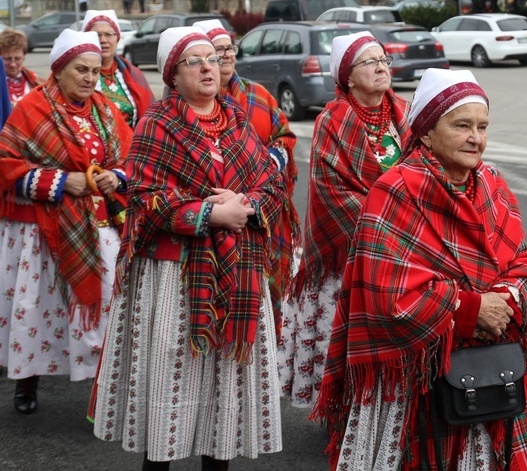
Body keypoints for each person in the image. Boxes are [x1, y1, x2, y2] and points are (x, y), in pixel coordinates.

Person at [310, 68, 527, 469]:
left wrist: (505, 298)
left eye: (482, 126)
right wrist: (471, 309)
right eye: (462, 125)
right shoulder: (395, 190)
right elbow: (389, 293)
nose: (476, 137)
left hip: (494, 365)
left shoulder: (492, 183)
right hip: (419, 379)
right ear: (426, 132)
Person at [92, 27, 285, 470]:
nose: (206, 67)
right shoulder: (156, 123)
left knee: (222, 398)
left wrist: (247, 205)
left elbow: (269, 182)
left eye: (211, 59)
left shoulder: (236, 119)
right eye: (193, 61)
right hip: (174, 277)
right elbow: (143, 196)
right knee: (170, 391)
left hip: (236, 270)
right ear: (172, 76)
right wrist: (209, 215)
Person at [0, 29, 133, 414]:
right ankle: (27, 382)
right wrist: (61, 181)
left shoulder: (105, 109)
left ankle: (101, 391)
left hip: (96, 222)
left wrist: (117, 177)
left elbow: (130, 157)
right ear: (58, 70)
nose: (90, 78)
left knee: (106, 301)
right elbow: (6, 166)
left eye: (94, 71)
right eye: (81, 70)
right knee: (39, 305)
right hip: (42, 227)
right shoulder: (31, 109)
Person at [277, 31, 411, 408]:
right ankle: (342, 407)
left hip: (406, 244)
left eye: (383, 58)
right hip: (352, 250)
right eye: (370, 62)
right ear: (348, 77)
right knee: (346, 332)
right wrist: (387, 220)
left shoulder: (403, 111)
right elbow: (332, 191)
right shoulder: (331, 121)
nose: (381, 66)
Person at [194, 19, 299, 341]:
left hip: (265, 210)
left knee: (269, 289)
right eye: (216, 50)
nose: (224, 55)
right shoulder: (192, 101)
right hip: (217, 215)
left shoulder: (259, 95)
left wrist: (264, 166)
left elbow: (284, 135)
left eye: (228, 48)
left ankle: (265, 353)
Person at [82, 10, 155, 128]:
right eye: (97, 35)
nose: (103, 40)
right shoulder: (77, 76)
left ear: (117, 39)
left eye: (109, 34)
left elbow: (150, 118)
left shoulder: (134, 75)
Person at [0, 28, 42, 106]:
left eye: (17, 58)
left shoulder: (36, 82)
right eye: (7, 59)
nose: (13, 64)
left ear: (24, 56)